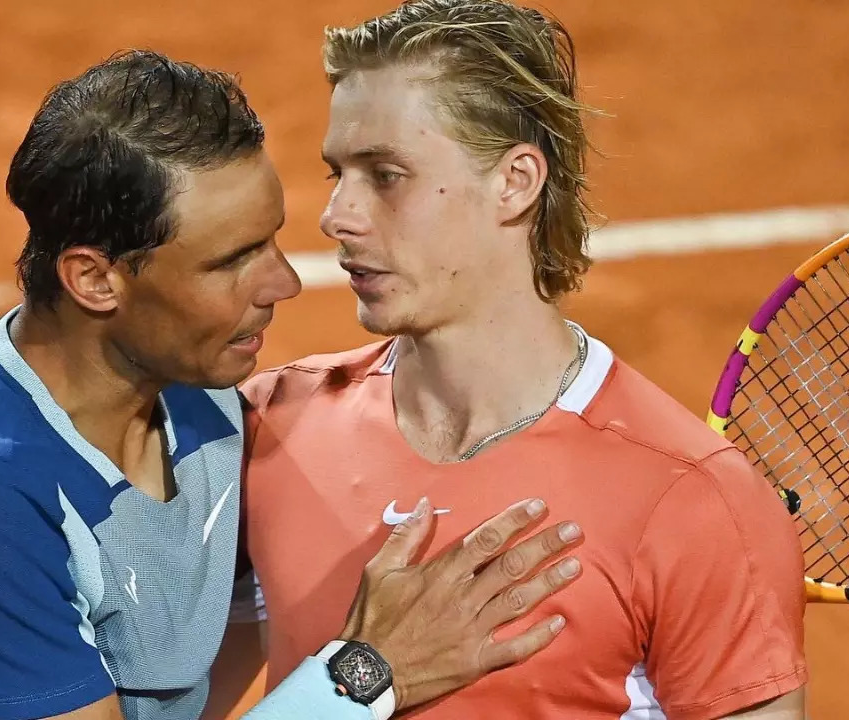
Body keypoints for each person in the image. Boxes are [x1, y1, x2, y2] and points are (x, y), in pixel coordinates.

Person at [0, 49, 584, 720]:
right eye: (231, 262)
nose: (283, 285)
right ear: (95, 280)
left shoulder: (208, 402)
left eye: (269, 241)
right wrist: (365, 678)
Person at [235, 1, 809, 718]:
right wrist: (360, 678)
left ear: (515, 181)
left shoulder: (690, 502)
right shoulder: (268, 431)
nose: (337, 216)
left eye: (384, 175)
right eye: (336, 174)